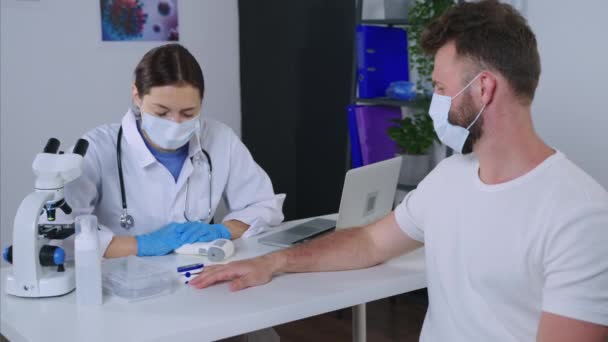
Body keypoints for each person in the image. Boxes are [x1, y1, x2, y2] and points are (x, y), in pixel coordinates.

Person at [188, 1, 608, 340]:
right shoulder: (449, 179)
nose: (435, 102)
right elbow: (370, 242)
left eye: (441, 89)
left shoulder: (579, 216)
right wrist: (274, 263)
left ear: (484, 88)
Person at [64, 43, 285, 258]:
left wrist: (223, 230)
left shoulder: (220, 139)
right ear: (137, 96)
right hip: (123, 282)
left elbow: (264, 206)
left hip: (199, 275)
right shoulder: (97, 148)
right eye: (161, 112)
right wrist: (139, 244)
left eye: (188, 113)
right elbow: (62, 231)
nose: (175, 123)